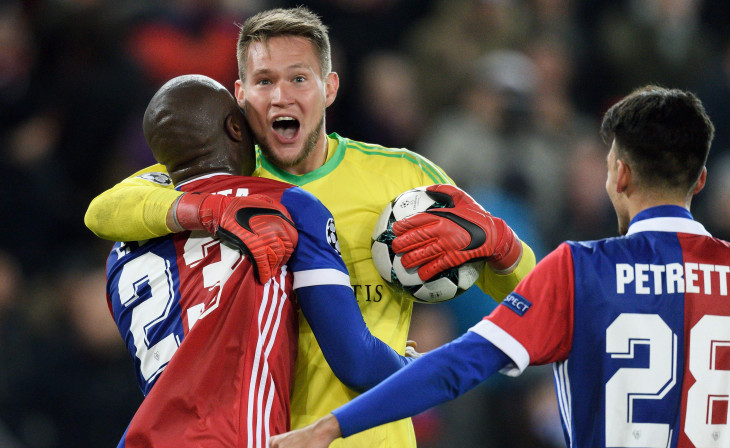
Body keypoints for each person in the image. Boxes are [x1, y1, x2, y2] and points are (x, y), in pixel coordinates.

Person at [85, 7, 537, 447]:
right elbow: (105, 210)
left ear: (330, 87)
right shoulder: (226, 181)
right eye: (265, 82)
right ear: (240, 96)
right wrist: (207, 211)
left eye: (298, 78)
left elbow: (529, 295)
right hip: (263, 436)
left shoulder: (406, 177)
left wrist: (502, 245)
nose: (281, 96)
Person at [267, 86, 730, 448]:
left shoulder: (579, 270)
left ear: (617, 174)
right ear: (701, 180)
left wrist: (331, 427)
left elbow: (457, 368)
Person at [107, 74, 416, 447]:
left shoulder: (120, 249)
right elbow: (357, 363)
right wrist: (414, 368)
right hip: (231, 438)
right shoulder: (285, 205)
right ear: (236, 127)